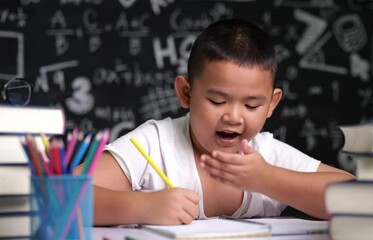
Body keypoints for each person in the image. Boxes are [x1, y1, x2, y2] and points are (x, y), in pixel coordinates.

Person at [78, 18, 355, 226]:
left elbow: (358, 198)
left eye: (251, 105)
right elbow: (63, 196)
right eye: (218, 101)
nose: (233, 116)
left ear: (271, 104)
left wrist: (269, 179)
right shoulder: (154, 144)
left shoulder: (267, 156)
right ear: (186, 93)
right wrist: (140, 206)